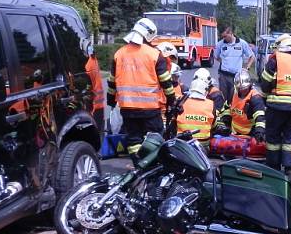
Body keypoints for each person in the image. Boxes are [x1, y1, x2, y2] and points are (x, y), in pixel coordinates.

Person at [107, 18, 177, 160]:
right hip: (149, 109)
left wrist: (110, 101)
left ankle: (138, 165)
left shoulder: (119, 54)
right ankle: (152, 166)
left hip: (127, 108)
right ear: (149, 35)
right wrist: (172, 100)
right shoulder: (154, 55)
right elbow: (166, 82)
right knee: (155, 138)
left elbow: (112, 82)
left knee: (134, 139)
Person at [259, 33, 291, 175]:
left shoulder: (276, 59)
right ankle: (289, 167)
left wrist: (265, 97)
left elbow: (265, 83)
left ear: (279, 46)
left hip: (277, 105)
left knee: (273, 135)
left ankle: (274, 167)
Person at [219, 69, 265, 142]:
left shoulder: (255, 98)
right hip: (234, 133)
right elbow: (226, 108)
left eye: (245, 88)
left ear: (249, 85)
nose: (243, 91)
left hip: (249, 135)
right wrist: (225, 121)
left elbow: (260, 118)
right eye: (240, 89)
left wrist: (259, 132)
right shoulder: (233, 93)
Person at [214, 26, 254, 104]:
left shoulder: (242, 43)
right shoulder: (220, 44)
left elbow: (252, 56)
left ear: (231, 33)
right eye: (223, 37)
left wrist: (247, 68)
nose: (224, 38)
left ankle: (233, 115)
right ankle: (223, 115)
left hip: (236, 77)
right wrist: (223, 62)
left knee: (234, 98)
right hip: (224, 76)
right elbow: (216, 56)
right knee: (223, 98)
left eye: (225, 36)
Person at [177, 78, 219, 147]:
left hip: (183, 142)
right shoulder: (211, 104)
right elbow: (214, 126)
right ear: (205, 91)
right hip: (203, 144)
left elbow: (173, 120)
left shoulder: (181, 101)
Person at [84, 46, 105, 132]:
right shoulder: (94, 60)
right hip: (99, 99)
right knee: (99, 125)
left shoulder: (88, 66)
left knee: (96, 127)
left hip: (95, 101)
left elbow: (88, 86)